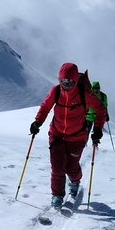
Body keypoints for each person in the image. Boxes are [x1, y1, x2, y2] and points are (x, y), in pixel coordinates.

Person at [29, 63, 106, 208]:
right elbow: (45, 106)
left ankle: (75, 181)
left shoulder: (84, 94)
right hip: (56, 133)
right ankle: (57, 195)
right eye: (63, 81)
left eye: (70, 81)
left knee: (71, 168)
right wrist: (37, 121)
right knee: (57, 167)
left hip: (77, 136)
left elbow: (100, 109)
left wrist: (98, 129)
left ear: (75, 80)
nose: (66, 84)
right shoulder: (56, 91)